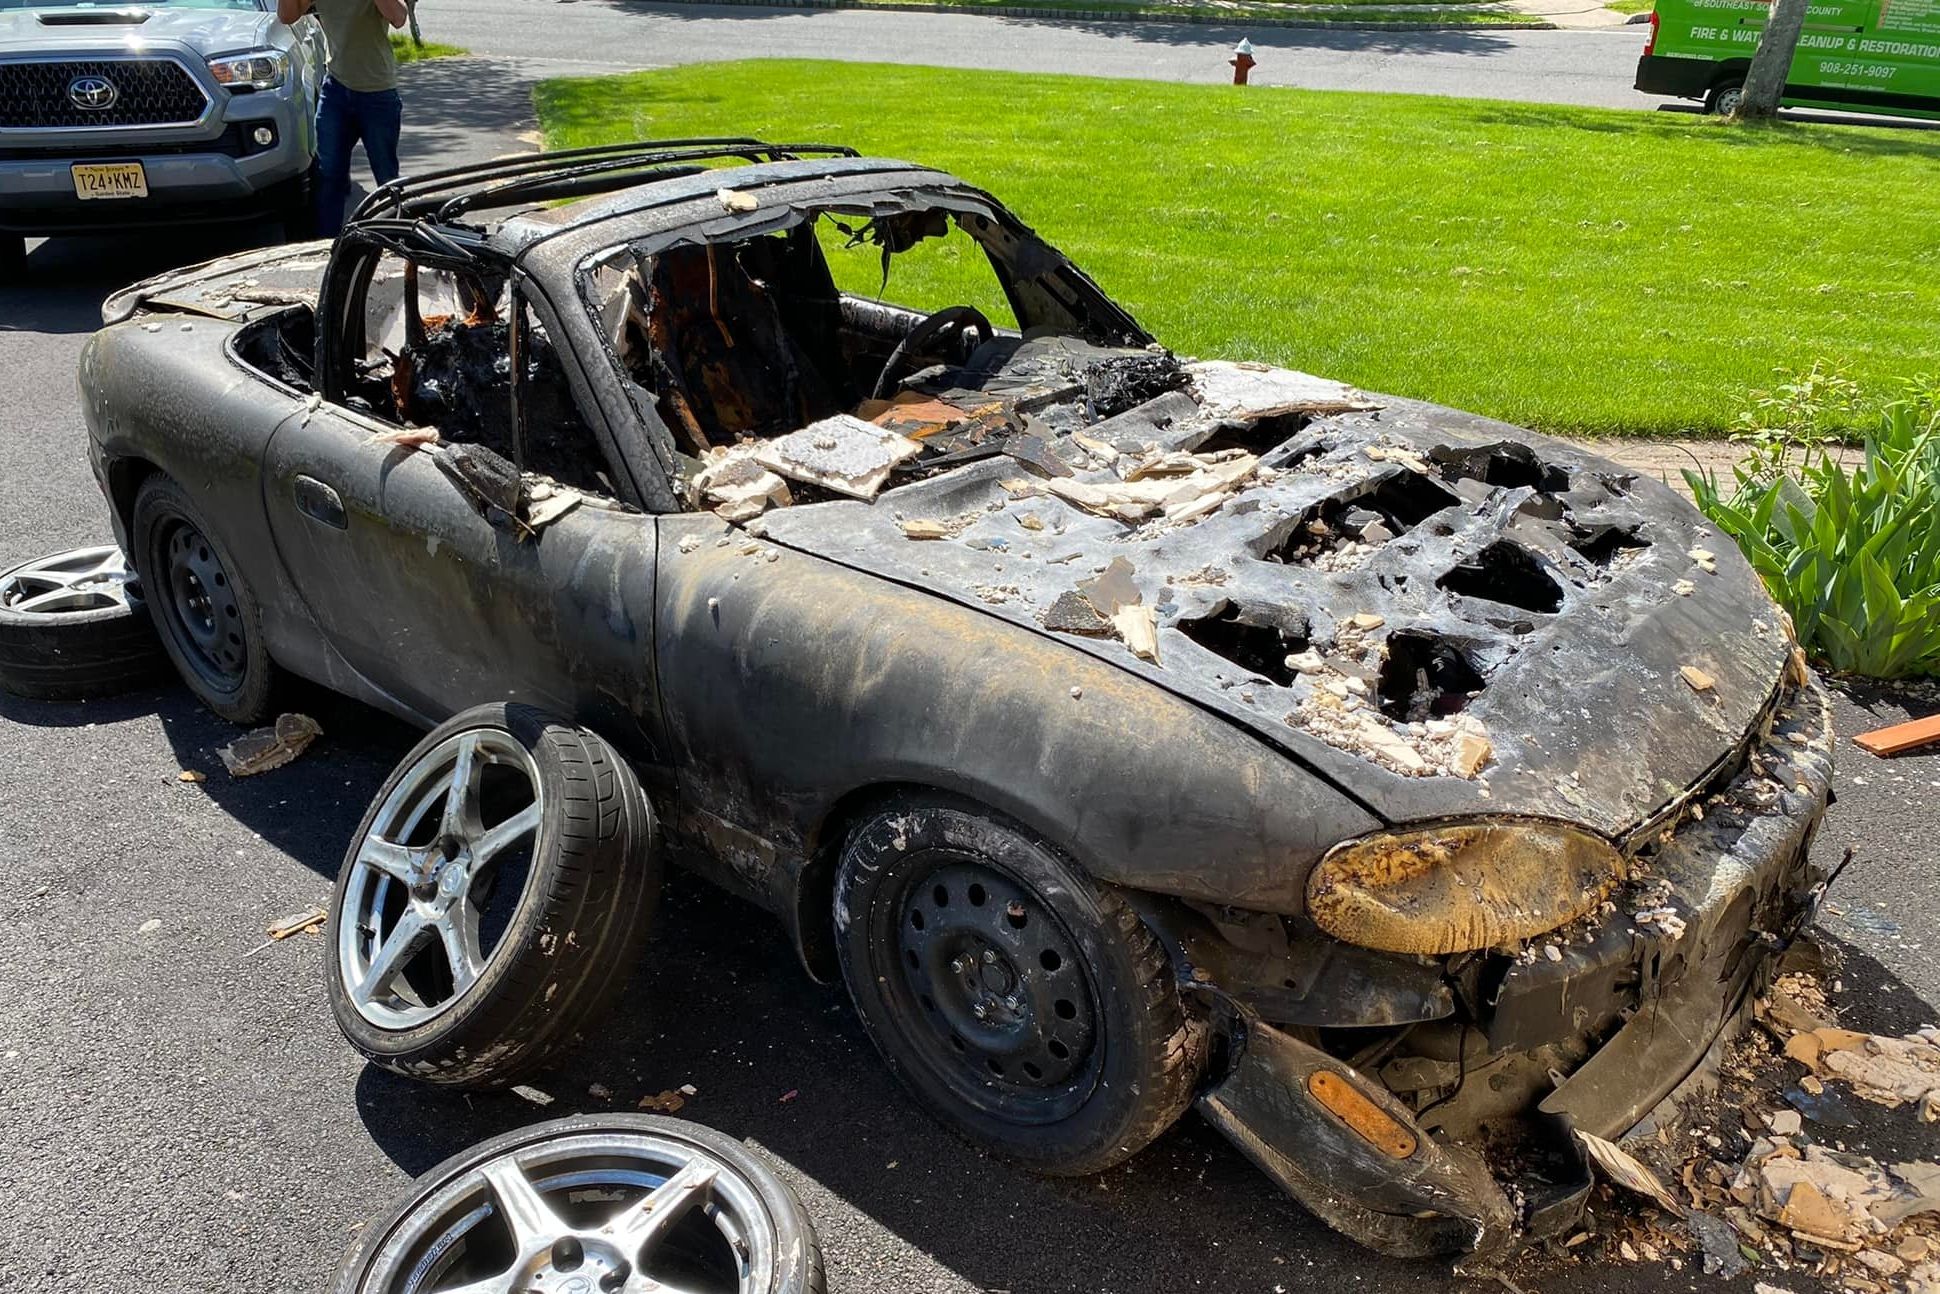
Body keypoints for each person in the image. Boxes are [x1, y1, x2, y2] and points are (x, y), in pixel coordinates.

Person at [278, 0, 413, 237]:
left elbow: (399, 17)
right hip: (336, 90)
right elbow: (287, 16)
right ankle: (328, 246)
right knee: (329, 175)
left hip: (377, 93)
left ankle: (400, 240)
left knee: (386, 176)